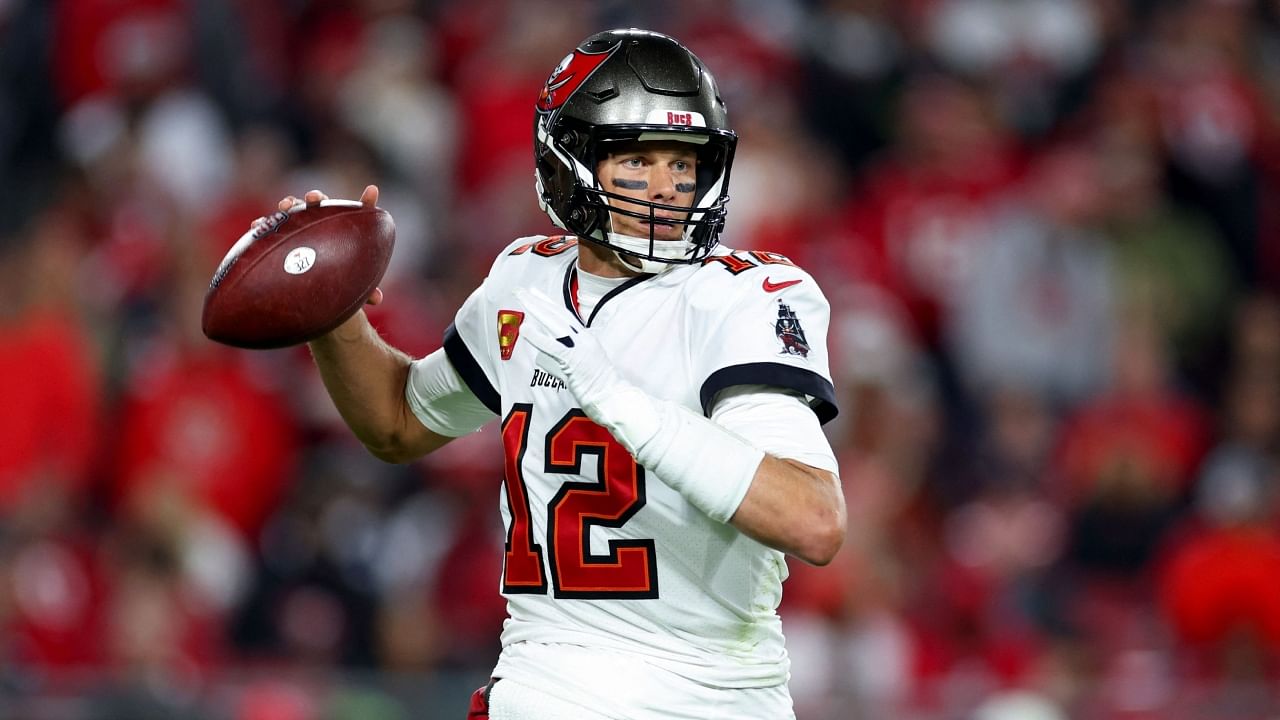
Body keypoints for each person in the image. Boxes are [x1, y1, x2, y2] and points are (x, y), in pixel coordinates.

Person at [272, 28, 845, 720]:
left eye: (684, 161)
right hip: (549, 682)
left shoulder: (742, 297)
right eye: (638, 159)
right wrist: (334, 317)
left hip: (711, 694)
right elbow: (399, 421)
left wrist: (628, 409)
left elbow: (814, 520)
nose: (667, 186)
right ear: (566, 162)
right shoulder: (524, 281)